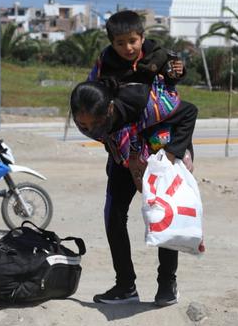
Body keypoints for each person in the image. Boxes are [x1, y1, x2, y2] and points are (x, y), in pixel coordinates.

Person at [71, 79, 197, 307]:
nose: (91, 129)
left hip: (162, 151)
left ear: (110, 108)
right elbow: (109, 136)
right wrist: (130, 159)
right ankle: (125, 286)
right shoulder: (93, 122)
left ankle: (167, 283)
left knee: (163, 214)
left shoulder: (145, 103)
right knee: (113, 216)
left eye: (96, 123)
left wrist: (170, 154)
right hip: (124, 154)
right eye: (83, 125)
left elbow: (189, 112)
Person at [88, 10, 184, 86]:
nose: (128, 48)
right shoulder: (106, 60)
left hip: (154, 101)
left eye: (132, 41)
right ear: (112, 44)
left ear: (142, 38)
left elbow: (170, 82)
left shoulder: (158, 55)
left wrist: (177, 72)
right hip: (119, 102)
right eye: (120, 44)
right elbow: (92, 85)